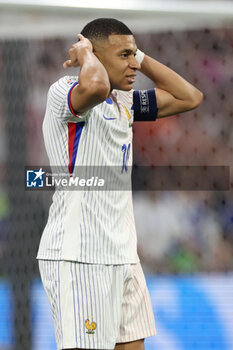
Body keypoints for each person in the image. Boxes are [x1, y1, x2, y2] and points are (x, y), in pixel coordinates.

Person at [37, 18, 203, 350]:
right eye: (124, 55)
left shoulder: (124, 102)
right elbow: (96, 87)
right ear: (95, 54)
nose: (134, 64)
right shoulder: (65, 92)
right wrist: (86, 55)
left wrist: (138, 56)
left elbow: (190, 97)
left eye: (135, 54)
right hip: (80, 256)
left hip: (124, 256)